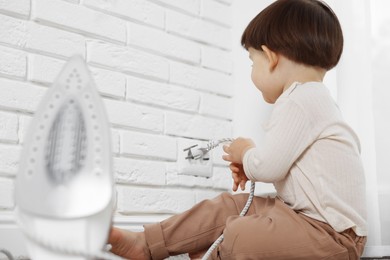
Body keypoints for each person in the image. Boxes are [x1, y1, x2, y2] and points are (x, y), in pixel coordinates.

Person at [108, 0, 367, 259]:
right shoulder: (313, 100)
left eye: (252, 62)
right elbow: (283, 166)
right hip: (301, 219)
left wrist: (246, 152)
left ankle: (213, 253)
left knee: (241, 234)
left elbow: (268, 168)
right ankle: (148, 243)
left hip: (332, 237)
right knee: (228, 207)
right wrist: (251, 162)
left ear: (271, 57)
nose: (252, 71)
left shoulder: (299, 100)